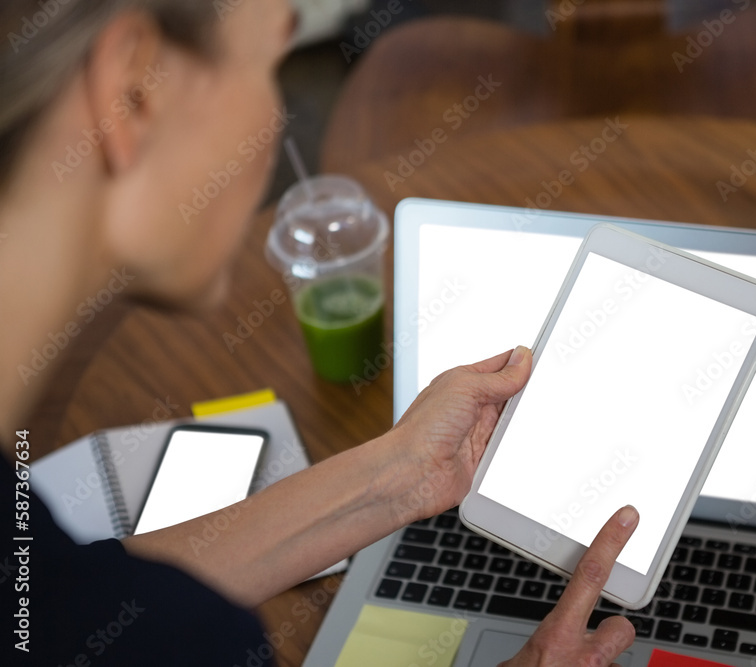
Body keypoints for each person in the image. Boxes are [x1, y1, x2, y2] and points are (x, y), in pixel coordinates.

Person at [0, 1, 641, 665]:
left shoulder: (51, 579)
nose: (277, 121)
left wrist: (406, 471)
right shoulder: (197, 643)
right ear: (132, 92)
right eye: (272, 62)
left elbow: (73, 597)